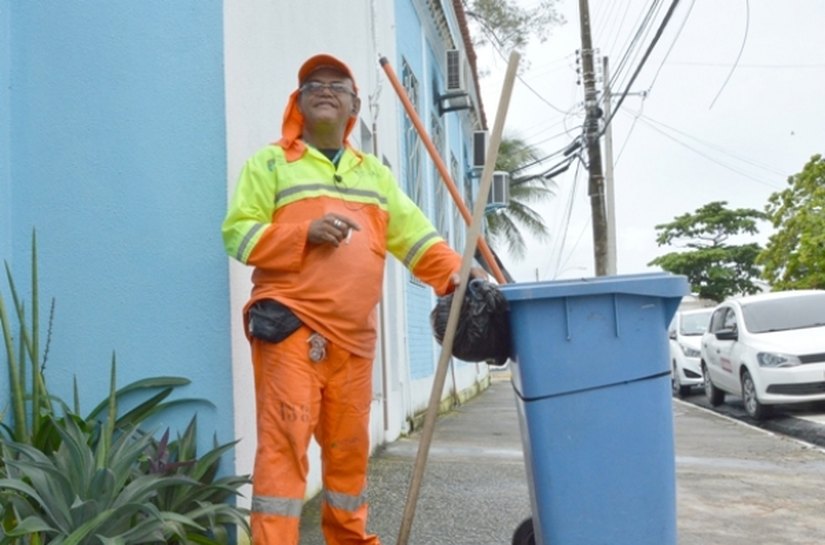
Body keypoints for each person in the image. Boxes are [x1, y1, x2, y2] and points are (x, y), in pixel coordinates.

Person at [222, 53, 485, 545]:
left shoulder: (376, 177)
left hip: (354, 341)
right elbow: (238, 235)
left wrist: (461, 273)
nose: (325, 89)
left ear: (354, 105)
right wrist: (304, 233)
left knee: (347, 453)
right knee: (284, 450)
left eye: (337, 85)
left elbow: (416, 240)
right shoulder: (271, 163)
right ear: (297, 102)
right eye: (313, 84)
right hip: (291, 329)